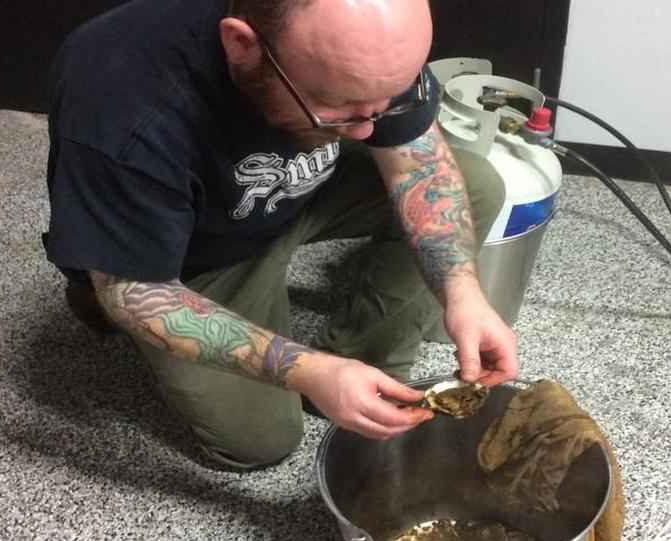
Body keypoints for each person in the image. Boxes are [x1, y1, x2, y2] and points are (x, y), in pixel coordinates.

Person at [44, 0, 519, 469]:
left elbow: (419, 163)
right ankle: (99, 268)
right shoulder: (122, 106)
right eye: (339, 104)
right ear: (242, 45)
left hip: (296, 187)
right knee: (262, 442)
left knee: (475, 185)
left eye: (388, 98)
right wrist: (308, 371)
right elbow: (136, 290)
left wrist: (462, 292)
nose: (369, 128)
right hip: (194, 255)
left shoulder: (364, 52)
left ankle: (360, 360)